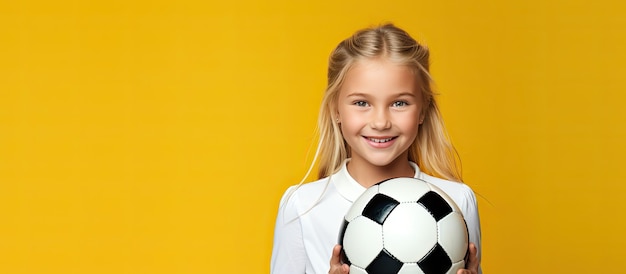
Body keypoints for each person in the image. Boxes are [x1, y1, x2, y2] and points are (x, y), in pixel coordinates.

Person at [271, 23, 482, 274]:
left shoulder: (456, 201)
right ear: (336, 110)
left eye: (399, 103)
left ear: (423, 110)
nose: (381, 122)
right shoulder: (302, 207)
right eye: (362, 102)